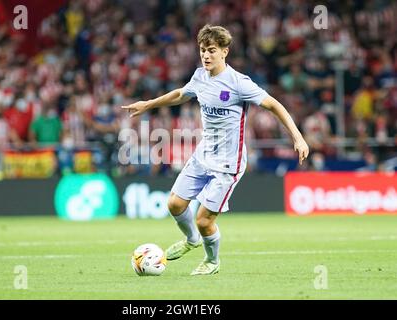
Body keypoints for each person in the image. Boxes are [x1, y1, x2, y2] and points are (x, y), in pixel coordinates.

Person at [122, 25, 309, 275]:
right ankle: (192, 241)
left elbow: (274, 105)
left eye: (211, 50)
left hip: (227, 165)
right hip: (203, 155)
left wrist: (297, 137)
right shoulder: (200, 76)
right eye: (202, 50)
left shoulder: (239, 83)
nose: (206, 55)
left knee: (203, 220)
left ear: (225, 52)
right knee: (175, 204)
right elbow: (181, 94)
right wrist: (149, 104)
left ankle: (212, 261)